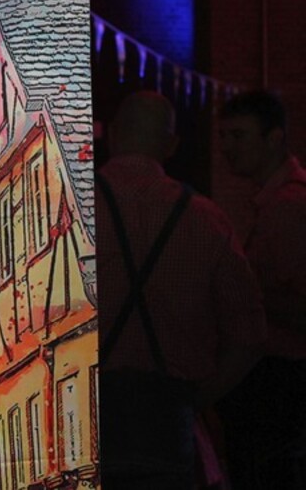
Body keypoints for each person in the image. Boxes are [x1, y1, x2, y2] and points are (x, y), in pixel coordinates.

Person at [97, 92, 265, 489]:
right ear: (171, 145)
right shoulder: (206, 219)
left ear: (113, 135)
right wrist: (196, 399)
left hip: (82, 418)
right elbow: (251, 337)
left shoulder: (67, 205)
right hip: (168, 426)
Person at [218, 89, 306, 488]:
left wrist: (240, 297)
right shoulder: (277, 202)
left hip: (282, 377)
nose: (227, 147)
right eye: (224, 136)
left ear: (273, 139)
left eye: (238, 136)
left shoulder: (288, 207)